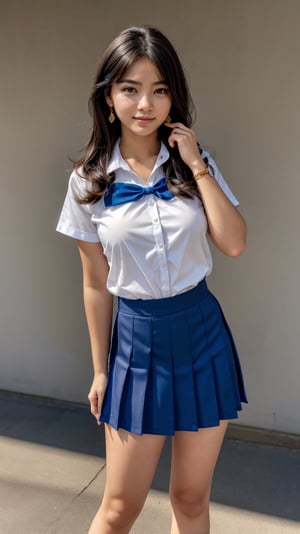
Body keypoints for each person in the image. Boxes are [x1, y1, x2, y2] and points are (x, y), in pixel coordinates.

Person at [57, 25, 247, 534]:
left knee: (190, 498)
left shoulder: (193, 166)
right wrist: (101, 370)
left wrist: (196, 165)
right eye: (131, 88)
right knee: (120, 507)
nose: (146, 104)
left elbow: (233, 242)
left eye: (159, 89)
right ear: (110, 97)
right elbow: (95, 284)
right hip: (137, 342)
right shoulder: (88, 180)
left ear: (173, 97)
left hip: (202, 333)